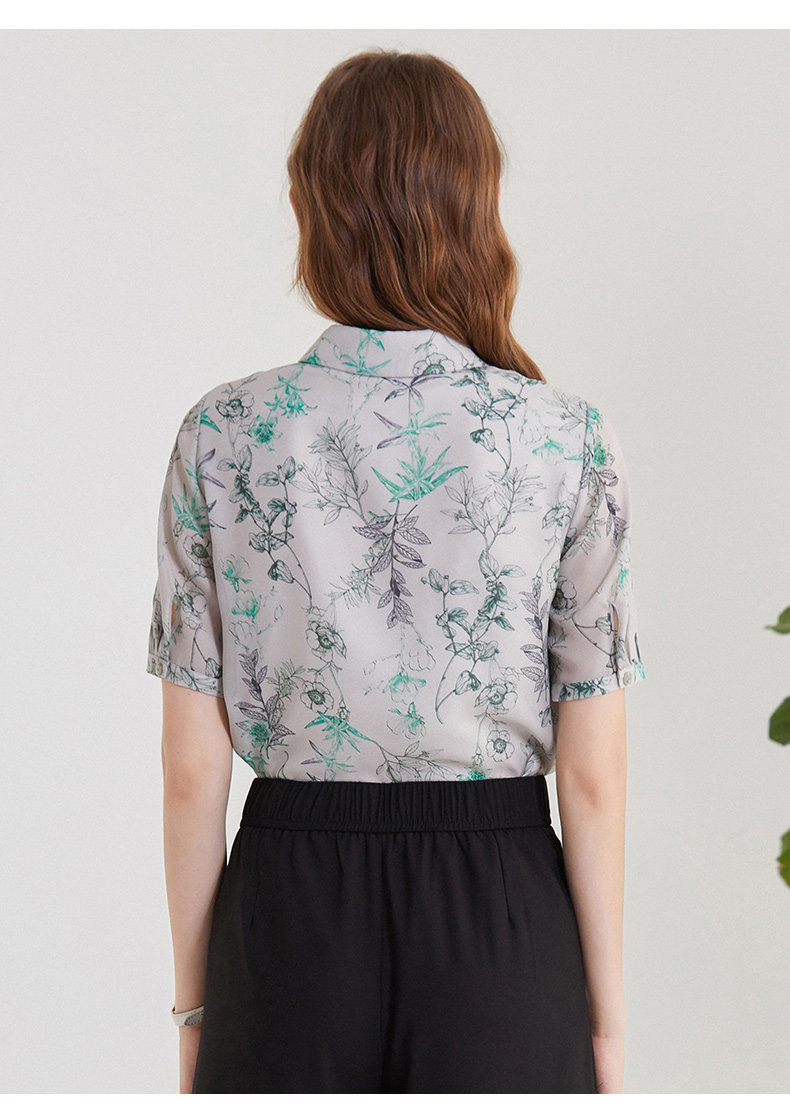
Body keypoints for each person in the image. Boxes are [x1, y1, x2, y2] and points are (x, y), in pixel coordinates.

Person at [147, 48, 645, 1095]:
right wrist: (602, 1018)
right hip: (502, 915)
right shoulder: (565, 439)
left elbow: (192, 772)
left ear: (306, 209)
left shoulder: (221, 433)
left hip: (286, 913)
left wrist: (196, 1010)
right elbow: (594, 781)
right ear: (477, 208)